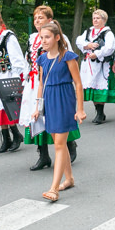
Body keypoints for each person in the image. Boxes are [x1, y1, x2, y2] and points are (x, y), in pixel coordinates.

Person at [32, 22, 86, 202]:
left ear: (57, 38)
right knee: (57, 142)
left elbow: (78, 84)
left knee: (59, 145)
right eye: (41, 37)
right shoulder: (42, 59)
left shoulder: (68, 57)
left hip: (64, 101)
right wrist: (37, 109)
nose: (43, 40)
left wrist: (80, 109)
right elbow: (41, 84)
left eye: (47, 37)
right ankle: (69, 179)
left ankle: (54, 188)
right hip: (49, 102)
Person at [19, 6, 78, 170]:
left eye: (41, 18)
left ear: (49, 21)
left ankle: (69, 144)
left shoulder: (58, 36)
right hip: (34, 84)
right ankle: (43, 155)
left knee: (55, 116)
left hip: (52, 83)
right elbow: (28, 59)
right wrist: (24, 76)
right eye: (36, 18)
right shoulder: (32, 38)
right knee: (36, 118)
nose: (37, 21)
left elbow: (67, 58)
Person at [0, 10, 28, 153]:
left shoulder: (8, 37)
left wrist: (14, 80)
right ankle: (7, 138)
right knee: (0, 109)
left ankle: (15, 135)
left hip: (7, 76)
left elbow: (17, 61)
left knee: (7, 108)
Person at [76, 9, 115, 124]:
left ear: (104, 20)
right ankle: (98, 111)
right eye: (94, 18)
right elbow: (78, 41)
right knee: (92, 87)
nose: (95, 20)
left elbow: (109, 48)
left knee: (99, 87)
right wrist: (87, 45)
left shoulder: (107, 33)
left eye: (98, 18)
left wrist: (97, 54)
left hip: (101, 65)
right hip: (88, 65)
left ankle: (100, 112)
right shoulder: (89, 31)